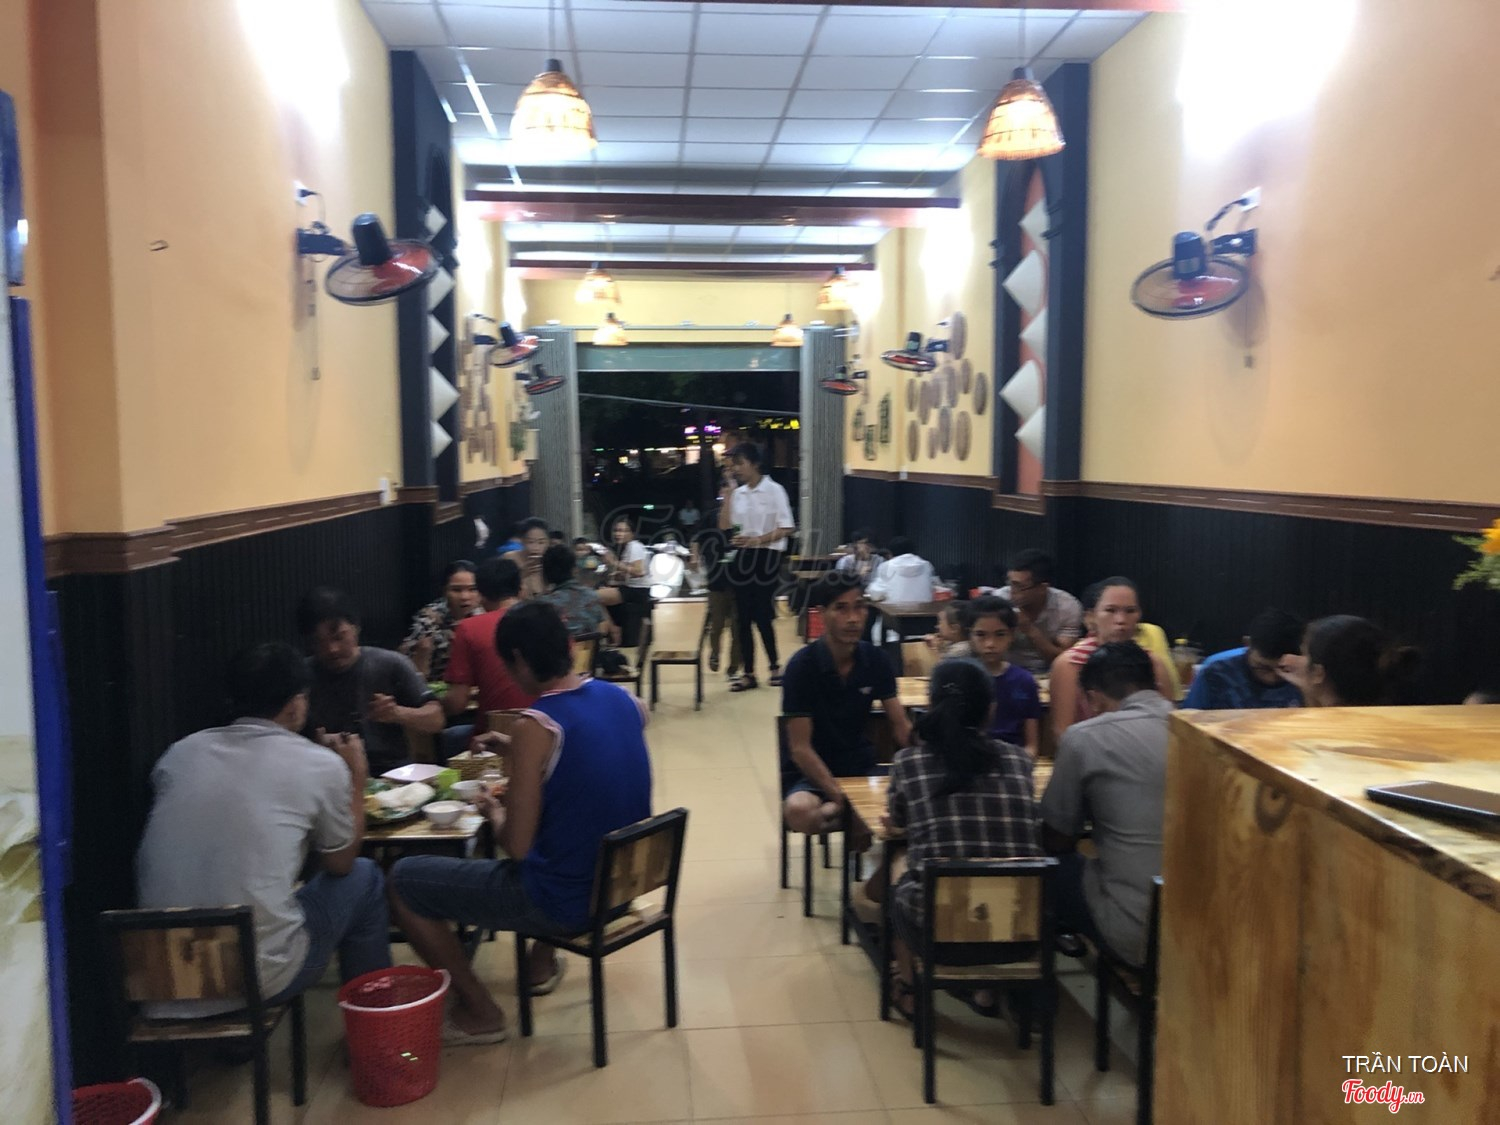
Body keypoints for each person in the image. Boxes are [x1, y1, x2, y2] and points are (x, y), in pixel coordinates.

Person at [388, 602, 652, 1045]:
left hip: (565, 903)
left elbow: (518, 847)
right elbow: (591, 755)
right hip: (621, 886)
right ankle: (539, 965)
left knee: (402, 881)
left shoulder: (536, 724)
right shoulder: (623, 699)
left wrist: (494, 811)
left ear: (519, 660)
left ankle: (480, 1010)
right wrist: (517, 750)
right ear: (568, 646)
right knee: (572, 839)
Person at [137, 642, 390, 1016]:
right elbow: (340, 863)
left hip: (163, 979)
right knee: (364, 877)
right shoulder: (319, 765)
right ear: (296, 704)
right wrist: (355, 777)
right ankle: (375, 1020)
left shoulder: (179, 753)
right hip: (252, 979)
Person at [885, 658, 1041, 1018]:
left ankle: (909, 986)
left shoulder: (909, 763)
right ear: (991, 709)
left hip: (939, 936)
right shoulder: (1020, 761)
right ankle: (988, 991)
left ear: (931, 704)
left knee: (898, 862)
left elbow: (898, 821)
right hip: (1019, 935)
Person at [1039, 641, 1171, 968]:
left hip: (1136, 935)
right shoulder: (1201, 727)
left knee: (1048, 864)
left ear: (1094, 697)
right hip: (1209, 930)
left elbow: (1058, 837)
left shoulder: (1083, 737)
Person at [781, 571, 911, 838]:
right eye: (841, 608)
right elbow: (800, 748)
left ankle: (848, 818)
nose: (852, 618)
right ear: (821, 614)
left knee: (913, 804)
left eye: (859, 607)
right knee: (799, 810)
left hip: (861, 766)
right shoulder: (801, 667)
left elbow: (900, 725)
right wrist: (842, 798)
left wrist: (928, 764)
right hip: (812, 772)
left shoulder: (876, 660)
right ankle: (850, 817)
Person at [298, 587, 444, 776]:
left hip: (392, 773)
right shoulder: (301, 675)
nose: (332, 649)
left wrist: (398, 713)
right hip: (327, 773)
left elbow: (436, 719)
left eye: (339, 637)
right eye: (319, 642)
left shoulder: (390, 663)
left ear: (356, 627)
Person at [1048, 579, 1174, 739]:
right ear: (1091, 617)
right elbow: (1063, 733)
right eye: (1110, 610)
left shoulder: (1154, 664)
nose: (1121, 620)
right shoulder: (1070, 664)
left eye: (1130, 611)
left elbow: (1170, 726)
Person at [720, 441, 795, 692]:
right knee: (742, 617)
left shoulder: (774, 490)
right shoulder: (739, 493)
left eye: (740, 463)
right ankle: (748, 673)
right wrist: (728, 494)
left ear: (755, 464)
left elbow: (787, 527)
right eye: (733, 465)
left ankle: (774, 667)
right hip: (743, 555)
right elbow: (725, 526)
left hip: (767, 556)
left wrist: (757, 540)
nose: (736, 469)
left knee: (762, 614)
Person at [443, 557, 533, 757]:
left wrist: (433, 704)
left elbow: (456, 704)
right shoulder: (552, 621)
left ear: (481, 595)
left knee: (448, 737)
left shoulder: (469, 628)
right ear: (520, 589)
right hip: (552, 729)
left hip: (492, 740)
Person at [1282, 615, 1421, 707]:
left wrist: (1309, 688)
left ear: (1318, 673)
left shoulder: (1315, 732)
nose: (1297, 659)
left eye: (1304, 654)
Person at [966, 596, 1043, 758]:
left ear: (1012, 635)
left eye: (1000, 634)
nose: (990, 644)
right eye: (981, 635)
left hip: (1015, 758)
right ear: (970, 636)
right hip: (970, 757)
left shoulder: (1024, 680)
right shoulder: (961, 678)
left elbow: (1031, 746)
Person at [1182, 609, 1305, 710]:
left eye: (1284, 670)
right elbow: (1188, 722)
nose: (1271, 679)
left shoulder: (1307, 676)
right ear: (1247, 644)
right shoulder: (1217, 674)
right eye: (1263, 668)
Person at [997, 549, 1083, 676]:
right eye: (1010, 584)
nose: (1012, 592)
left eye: (1019, 586)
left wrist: (1030, 630)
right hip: (1005, 670)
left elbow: (1063, 660)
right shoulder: (999, 599)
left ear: (1042, 588)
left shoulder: (1067, 607)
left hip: (1049, 673)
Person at [398, 560, 480, 681]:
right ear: (445, 591)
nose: (465, 597)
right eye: (456, 590)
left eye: (472, 589)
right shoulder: (428, 619)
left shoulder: (485, 613)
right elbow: (409, 667)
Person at [535, 543, 619, 644]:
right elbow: (602, 629)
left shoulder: (542, 605)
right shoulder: (591, 596)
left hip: (557, 653)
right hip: (589, 652)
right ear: (574, 570)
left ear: (545, 573)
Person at [694, 524, 742, 679]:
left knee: (737, 629)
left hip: (738, 587)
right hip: (716, 586)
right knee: (716, 625)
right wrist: (695, 557)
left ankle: (734, 666)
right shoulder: (710, 527)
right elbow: (696, 539)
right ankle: (715, 652)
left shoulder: (741, 526)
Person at [604, 516, 653, 647]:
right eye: (616, 530)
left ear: (632, 534)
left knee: (593, 597)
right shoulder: (628, 548)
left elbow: (639, 571)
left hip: (637, 591)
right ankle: (614, 629)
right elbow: (629, 572)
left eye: (623, 531)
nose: (618, 534)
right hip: (631, 588)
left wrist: (614, 562)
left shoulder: (634, 546)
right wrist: (618, 574)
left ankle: (614, 631)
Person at [866, 536, 940, 605]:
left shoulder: (886, 566)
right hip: (925, 613)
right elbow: (936, 586)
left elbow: (876, 594)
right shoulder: (926, 565)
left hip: (893, 613)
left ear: (890, 553)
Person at [502, 517, 551, 599]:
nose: (536, 548)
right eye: (530, 542)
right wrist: (521, 574)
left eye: (541, 542)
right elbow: (501, 587)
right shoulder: (510, 558)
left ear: (548, 542)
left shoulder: (551, 560)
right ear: (522, 541)